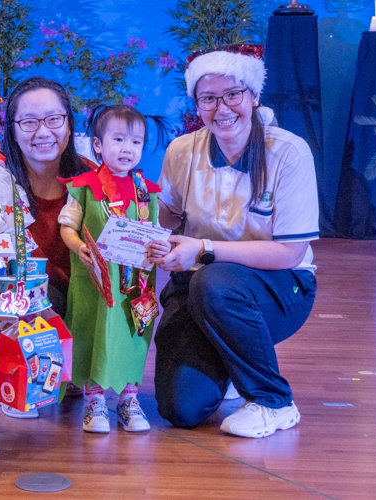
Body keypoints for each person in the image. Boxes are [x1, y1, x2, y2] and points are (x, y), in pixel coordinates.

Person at [146, 44, 318, 439]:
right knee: (180, 407)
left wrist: (203, 249)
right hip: (198, 287)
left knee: (215, 280)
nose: (221, 108)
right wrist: (130, 220)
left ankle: (274, 401)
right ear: (197, 104)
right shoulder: (181, 151)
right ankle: (226, 363)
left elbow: (290, 252)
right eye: (208, 98)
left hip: (279, 286)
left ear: (254, 96)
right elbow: (167, 217)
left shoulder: (288, 152)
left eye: (233, 95)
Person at [59, 105, 162, 433]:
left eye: (136, 142)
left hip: (135, 285)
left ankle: (129, 400)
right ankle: (94, 400)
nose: (127, 148)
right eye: (118, 139)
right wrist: (79, 247)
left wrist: (161, 249)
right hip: (95, 284)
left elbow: (155, 231)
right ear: (98, 145)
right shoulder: (84, 187)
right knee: (94, 334)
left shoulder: (146, 191)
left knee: (133, 337)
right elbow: (67, 227)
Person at [1, 77, 91, 418]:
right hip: (23, 302)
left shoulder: (92, 179)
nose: (43, 132)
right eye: (29, 122)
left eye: (54, 119)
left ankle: (80, 370)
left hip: (83, 295)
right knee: (38, 291)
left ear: (69, 124)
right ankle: (20, 376)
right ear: (12, 129)